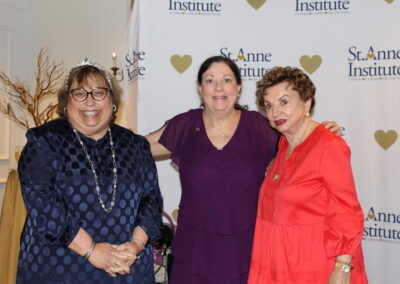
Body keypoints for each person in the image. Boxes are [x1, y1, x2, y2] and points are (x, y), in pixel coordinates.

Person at [146, 56, 342, 284]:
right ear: (200, 89)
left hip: (249, 251)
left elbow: (298, 139)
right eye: (210, 80)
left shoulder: (261, 126)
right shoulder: (185, 125)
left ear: (238, 88)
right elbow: (138, 147)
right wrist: (99, 128)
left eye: (227, 79)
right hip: (194, 250)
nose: (218, 87)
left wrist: (321, 132)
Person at [17, 58, 163, 283]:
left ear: (112, 101)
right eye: (80, 93)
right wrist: (92, 251)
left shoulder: (135, 145)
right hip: (60, 268)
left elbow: (151, 201)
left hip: (127, 269)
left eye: (99, 92)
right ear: (66, 102)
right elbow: (44, 206)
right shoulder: (44, 141)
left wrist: (135, 245)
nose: (90, 101)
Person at [247, 66, 368, 283]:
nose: (275, 112)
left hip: (315, 265)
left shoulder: (328, 145)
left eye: (284, 102)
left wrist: (342, 268)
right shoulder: (284, 144)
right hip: (278, 263)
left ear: (307, 103)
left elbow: (347, 212)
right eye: (269, 106)